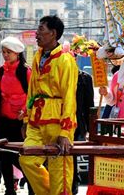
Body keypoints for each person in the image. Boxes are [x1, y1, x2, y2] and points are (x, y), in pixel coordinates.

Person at [19, 15, 79, 195]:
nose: (37, 34)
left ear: (53, 34)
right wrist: (27, 119)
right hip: (37, 119)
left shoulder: (65, 59)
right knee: (27, 159)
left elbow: (69, 96)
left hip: (57, 120)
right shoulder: (38, 56)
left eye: (41, 30)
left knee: (59, 171)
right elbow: (32, 90)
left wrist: (65, 132)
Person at [0, 36, 34, 195]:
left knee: (20, 156)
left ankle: (33, 184)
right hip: (4, 118)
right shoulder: (1, 70)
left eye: (9, 52)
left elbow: (33, 95)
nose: (5, 55)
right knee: (4, 154)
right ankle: (9, 189)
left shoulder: (26, 71)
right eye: (4, 52)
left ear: (17, 53)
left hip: (21, 121)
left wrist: (25, 111)